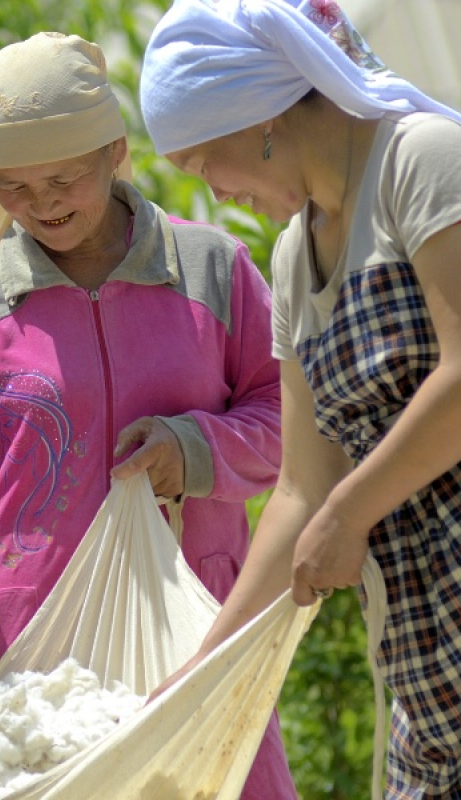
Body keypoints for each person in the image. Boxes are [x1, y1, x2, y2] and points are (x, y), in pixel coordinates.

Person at [0, 31, 296, 797]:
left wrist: (193, 448)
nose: (43, 206)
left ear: (115, 153)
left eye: (63, 179)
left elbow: (287, 420)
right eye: (16, 189)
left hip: (192, 627)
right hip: (28, 642)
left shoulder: (212, 269)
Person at [139, 0, 461, 795]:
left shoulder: (420, 161)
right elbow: (299, 490)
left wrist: (348, 518)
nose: (216, 195)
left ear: (260, 121)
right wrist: (202, 674)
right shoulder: (290, 259)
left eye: (206, 166)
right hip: (426, 656)